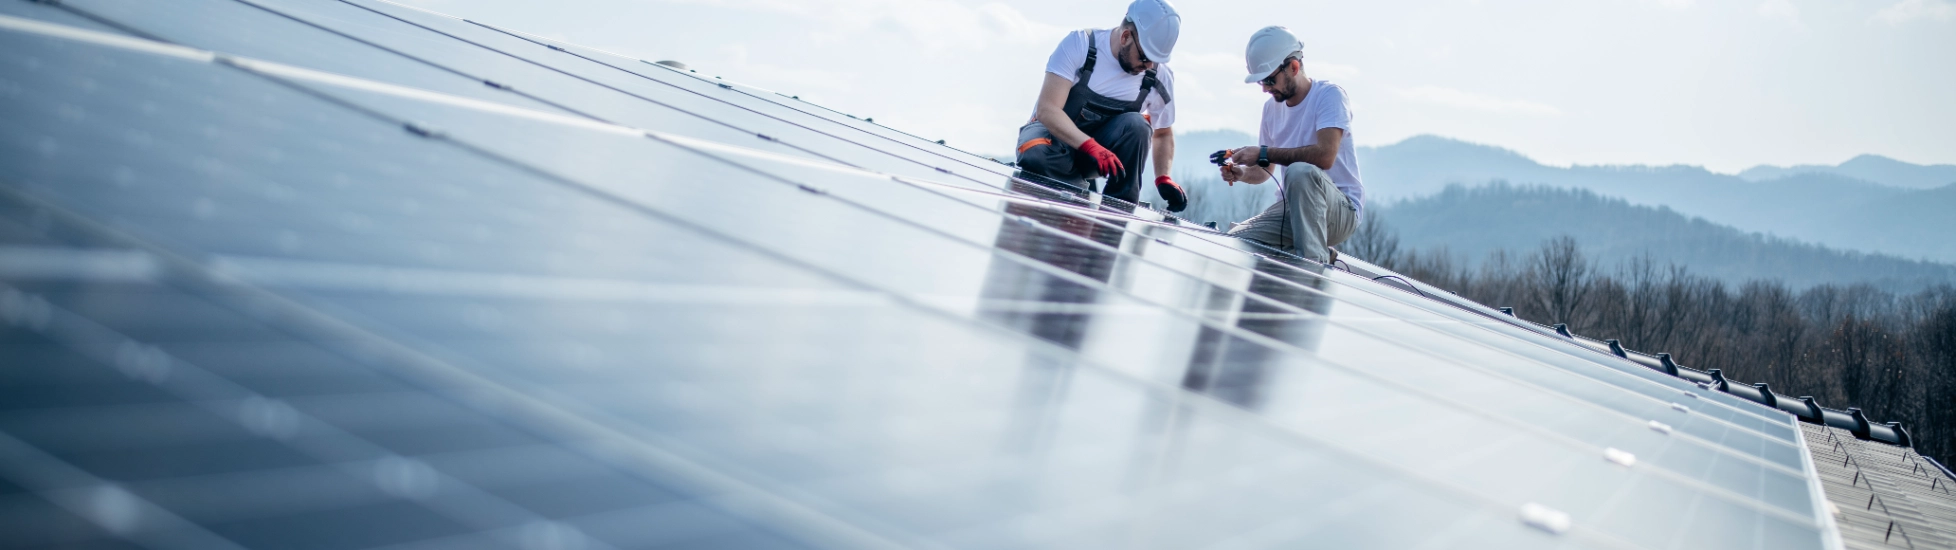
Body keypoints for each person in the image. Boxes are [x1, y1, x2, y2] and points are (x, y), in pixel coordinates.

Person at [1014, 0, 1188, 211]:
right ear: (1125, 37)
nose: (1149, 66)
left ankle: (1118, 208)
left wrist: (1163, 177)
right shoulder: (1080, 45)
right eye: (1144, 57)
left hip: (1095, 158)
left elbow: (1163, 133)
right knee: (1035, 152)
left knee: (1138, 125)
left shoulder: (1159, 76)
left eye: (1155, 60)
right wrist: (1090, 146)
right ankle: (1075, 191)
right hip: (1052, 143)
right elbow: (1047, 109)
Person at [1218, 26, 1364, 264]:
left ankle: (1313, 266)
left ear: (1293, 67)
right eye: (1261, 82)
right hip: (1292, 208)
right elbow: (1265, 171)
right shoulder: (1270, 109)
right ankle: (1313, 250)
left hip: (1340, 211)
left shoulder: (1329, 96)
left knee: (1300, 171)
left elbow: (1325, 155)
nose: (1265, 88)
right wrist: (1242, 173)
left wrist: (1263, 152)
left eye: (1269, 80)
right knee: (1237, 242)